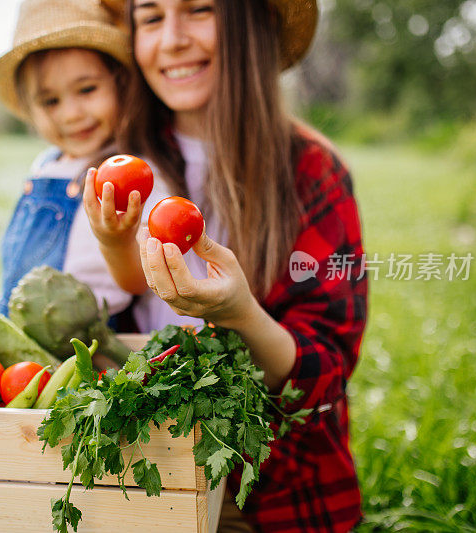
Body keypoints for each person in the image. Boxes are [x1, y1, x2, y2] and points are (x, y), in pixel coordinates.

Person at [82, 0, 367, 531]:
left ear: (248, 24)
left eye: (199, 10)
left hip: (269, 484)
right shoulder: (118, 162)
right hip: (145, 473)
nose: (171, 39)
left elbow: (325, 370)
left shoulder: (312, 172)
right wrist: (112, 242)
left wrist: (241, 314)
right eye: (150, 16)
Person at [0, 0, 166, 326]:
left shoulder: (131, 173)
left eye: (87, 89)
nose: (71, 114)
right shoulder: (46, 164)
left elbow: (141, 280)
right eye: (50, 101)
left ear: (121, 83)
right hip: (21, 325)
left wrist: (117, 242)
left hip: (89, 338)